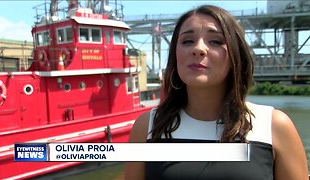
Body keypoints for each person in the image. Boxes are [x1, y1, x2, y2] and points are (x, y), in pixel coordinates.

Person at [125, 5, 308, 180]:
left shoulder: (274, 126)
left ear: (236, 56)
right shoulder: (148, 126)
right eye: (188, 41)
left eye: (215, 41)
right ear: (175, 55)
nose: (198, 49)